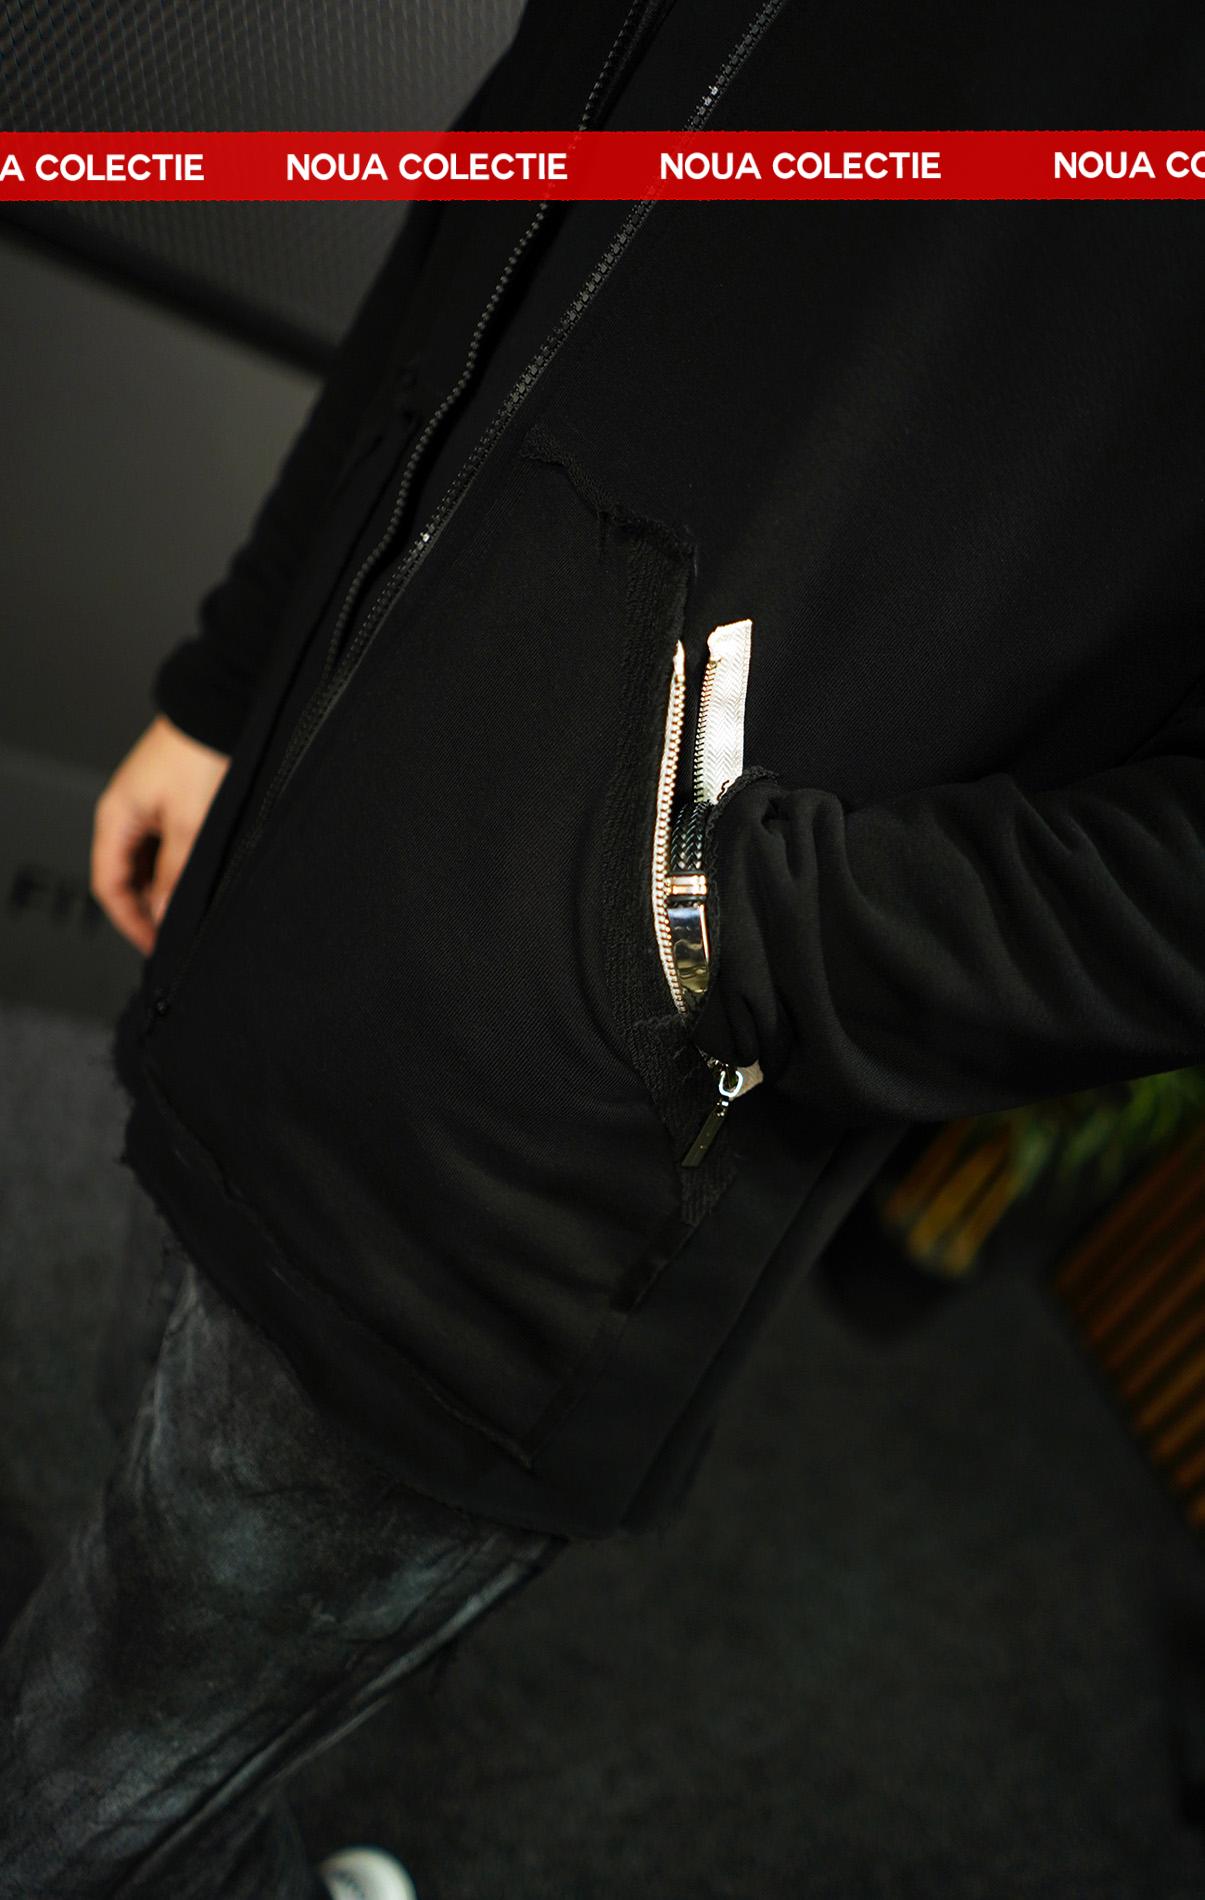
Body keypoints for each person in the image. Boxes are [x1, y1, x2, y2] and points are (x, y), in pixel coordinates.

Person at [4, 0, 1205, 1893]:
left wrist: (701, 921)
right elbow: (488, 221)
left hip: (531, 1143)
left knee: (116, 1747)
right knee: (131, 1591)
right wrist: (235, 677)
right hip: (289, 875)